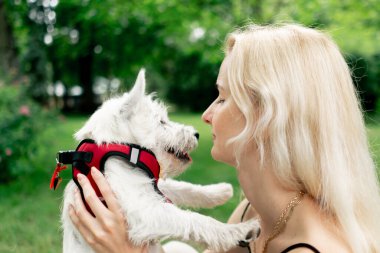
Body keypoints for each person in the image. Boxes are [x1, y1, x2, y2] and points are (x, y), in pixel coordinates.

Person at [69, 23, 380, 253]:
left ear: (268, 116)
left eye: (221, 98)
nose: (206, 114)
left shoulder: (310, 247)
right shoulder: (256, 210)